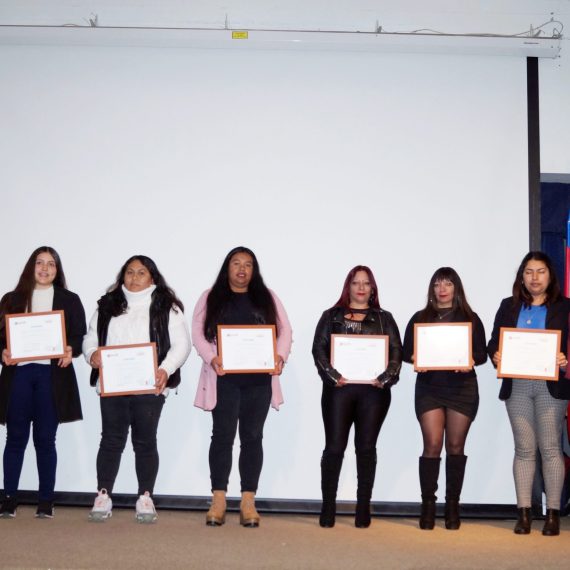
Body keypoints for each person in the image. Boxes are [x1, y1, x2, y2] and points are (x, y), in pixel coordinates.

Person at [83, 255, 191, 523]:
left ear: (152, 278)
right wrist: (92, 354)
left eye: (141, 272)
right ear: (122, 276)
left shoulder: (167, 307)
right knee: (110, 440)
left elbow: (182, 345)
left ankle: (145, 497)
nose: (134, 277)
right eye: (129, 272)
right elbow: (90, 337)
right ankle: (103, 495)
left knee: (145, 442)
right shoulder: (106, 305)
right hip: (112, 386)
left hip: (149, 386)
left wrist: (165, 369)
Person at [192, 246, 292, 528]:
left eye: (248, 264)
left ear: (254, 270)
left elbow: (285, 331)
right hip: (223, 379)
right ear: (227, 268)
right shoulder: (210, 297)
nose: (242, 269)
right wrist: (212, 358)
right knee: (222, 437)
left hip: (259, 382)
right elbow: (198, 334)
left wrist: (280, 357)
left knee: (252, 437)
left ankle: (248, 500)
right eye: (236, 263)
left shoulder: (267, 297)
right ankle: (219, 499)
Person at [312, 265, 402, 528]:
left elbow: (397, 351)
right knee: (334, 448)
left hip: (373, 393)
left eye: (366, 283)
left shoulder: (385, 318)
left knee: (366, 449)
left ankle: (363, 507)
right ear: (348, 286)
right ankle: (328, 506)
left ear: (372, 288)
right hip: (338, 390)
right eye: (356, 283)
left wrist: (384, 378)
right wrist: (332, 375)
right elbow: (318, 349)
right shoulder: (331, 315)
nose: (361, 288)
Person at [0, 246, 86, 519]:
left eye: (51, 264)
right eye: (40, 263)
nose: (45, 269)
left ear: (57, 270)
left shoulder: (69, 299)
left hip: (51, 376)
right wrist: (2, 352)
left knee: (46, 440)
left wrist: (71, 349)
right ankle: (9, 498)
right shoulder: (12, 299)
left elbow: (79, 336)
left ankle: (46, 500)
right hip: (20, 376)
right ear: (31, 267)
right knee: (14, 438)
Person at [488, 251, 570, 536]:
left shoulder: (565, 307)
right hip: (518, 385)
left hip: (552, 386)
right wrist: (496, 354)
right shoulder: (508, 306)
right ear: (521, 276)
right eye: (529, 272)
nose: (535, 278)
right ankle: (524, 513)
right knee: (524, 449)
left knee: (549, 449)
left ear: (550, 275)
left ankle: (553, 514)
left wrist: (566, 360)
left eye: (541, 271)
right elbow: (493, 341)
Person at [402, 267, 487, 530]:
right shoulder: (420, 317)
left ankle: (452, 506)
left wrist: (470, 361)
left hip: (462, 388)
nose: (442, 288)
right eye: (437, 283)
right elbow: (406, 351)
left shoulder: (471, 318)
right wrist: (417, 359)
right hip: (430, 388)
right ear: (432, 288)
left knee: (455, 445)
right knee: (432, 444)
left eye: (448, 283)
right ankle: (428, 505)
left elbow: (482, 354)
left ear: (456, 288)